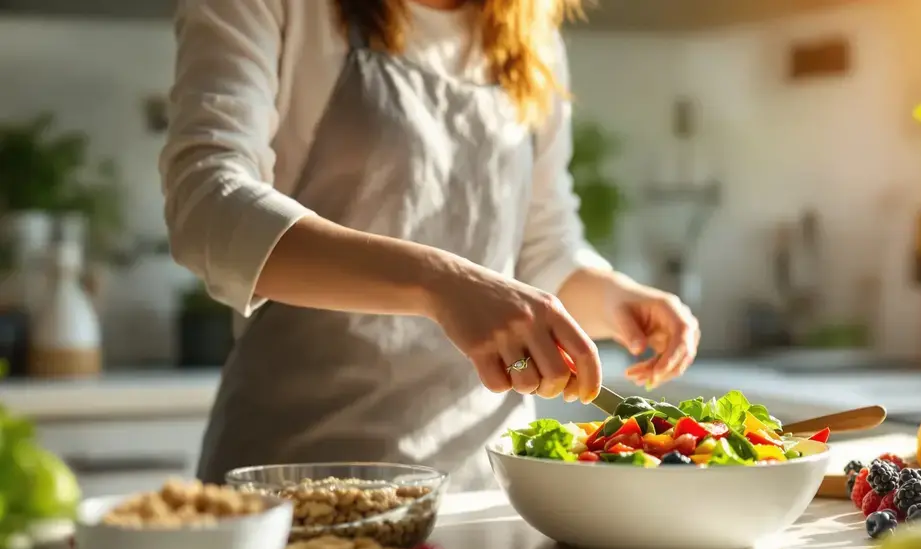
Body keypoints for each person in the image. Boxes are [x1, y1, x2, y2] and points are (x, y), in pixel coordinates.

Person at [160, 0, 700, 490]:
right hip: (299, 477)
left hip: (484, 489)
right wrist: (439, 283)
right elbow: (207, 205)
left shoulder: (529, 32)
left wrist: (614, 299)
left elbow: (543, 250)